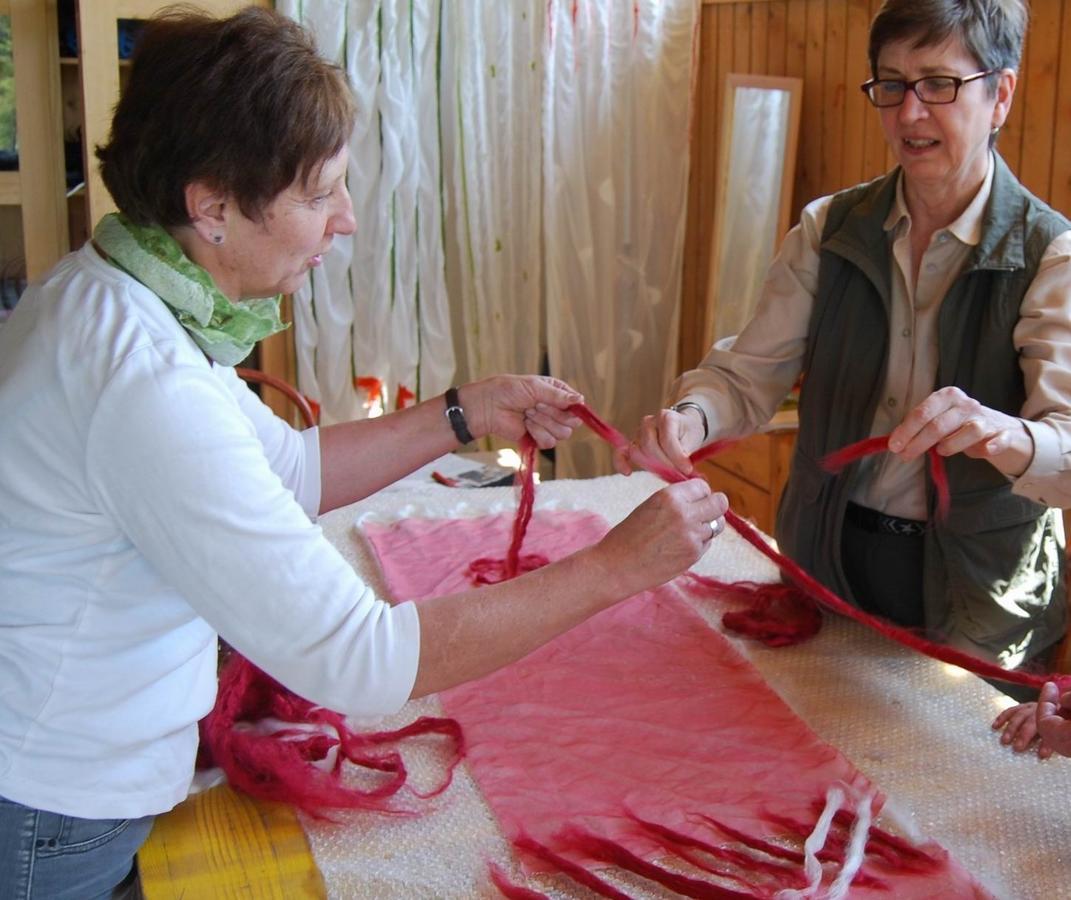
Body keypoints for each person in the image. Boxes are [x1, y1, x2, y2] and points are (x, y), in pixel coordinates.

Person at [0, 8, 727, 898]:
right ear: (212, 206)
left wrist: (464, 412)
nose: (345, 220)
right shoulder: (143, 382)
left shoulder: (112, 297)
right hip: (50, 800)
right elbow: (361, 659)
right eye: (318, 195)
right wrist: (615, 568)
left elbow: (287, 470)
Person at [623, 0, 1071, 694]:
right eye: (890, 84)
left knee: (949, 790)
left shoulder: (1050, 255)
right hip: (826, 565)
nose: (909, 114)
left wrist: (1000, 434)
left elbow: (1065, 453)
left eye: (938, 84)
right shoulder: (827, 229)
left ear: (1000, 94)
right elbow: (746, 379)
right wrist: (693, 418)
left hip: (977, 600)